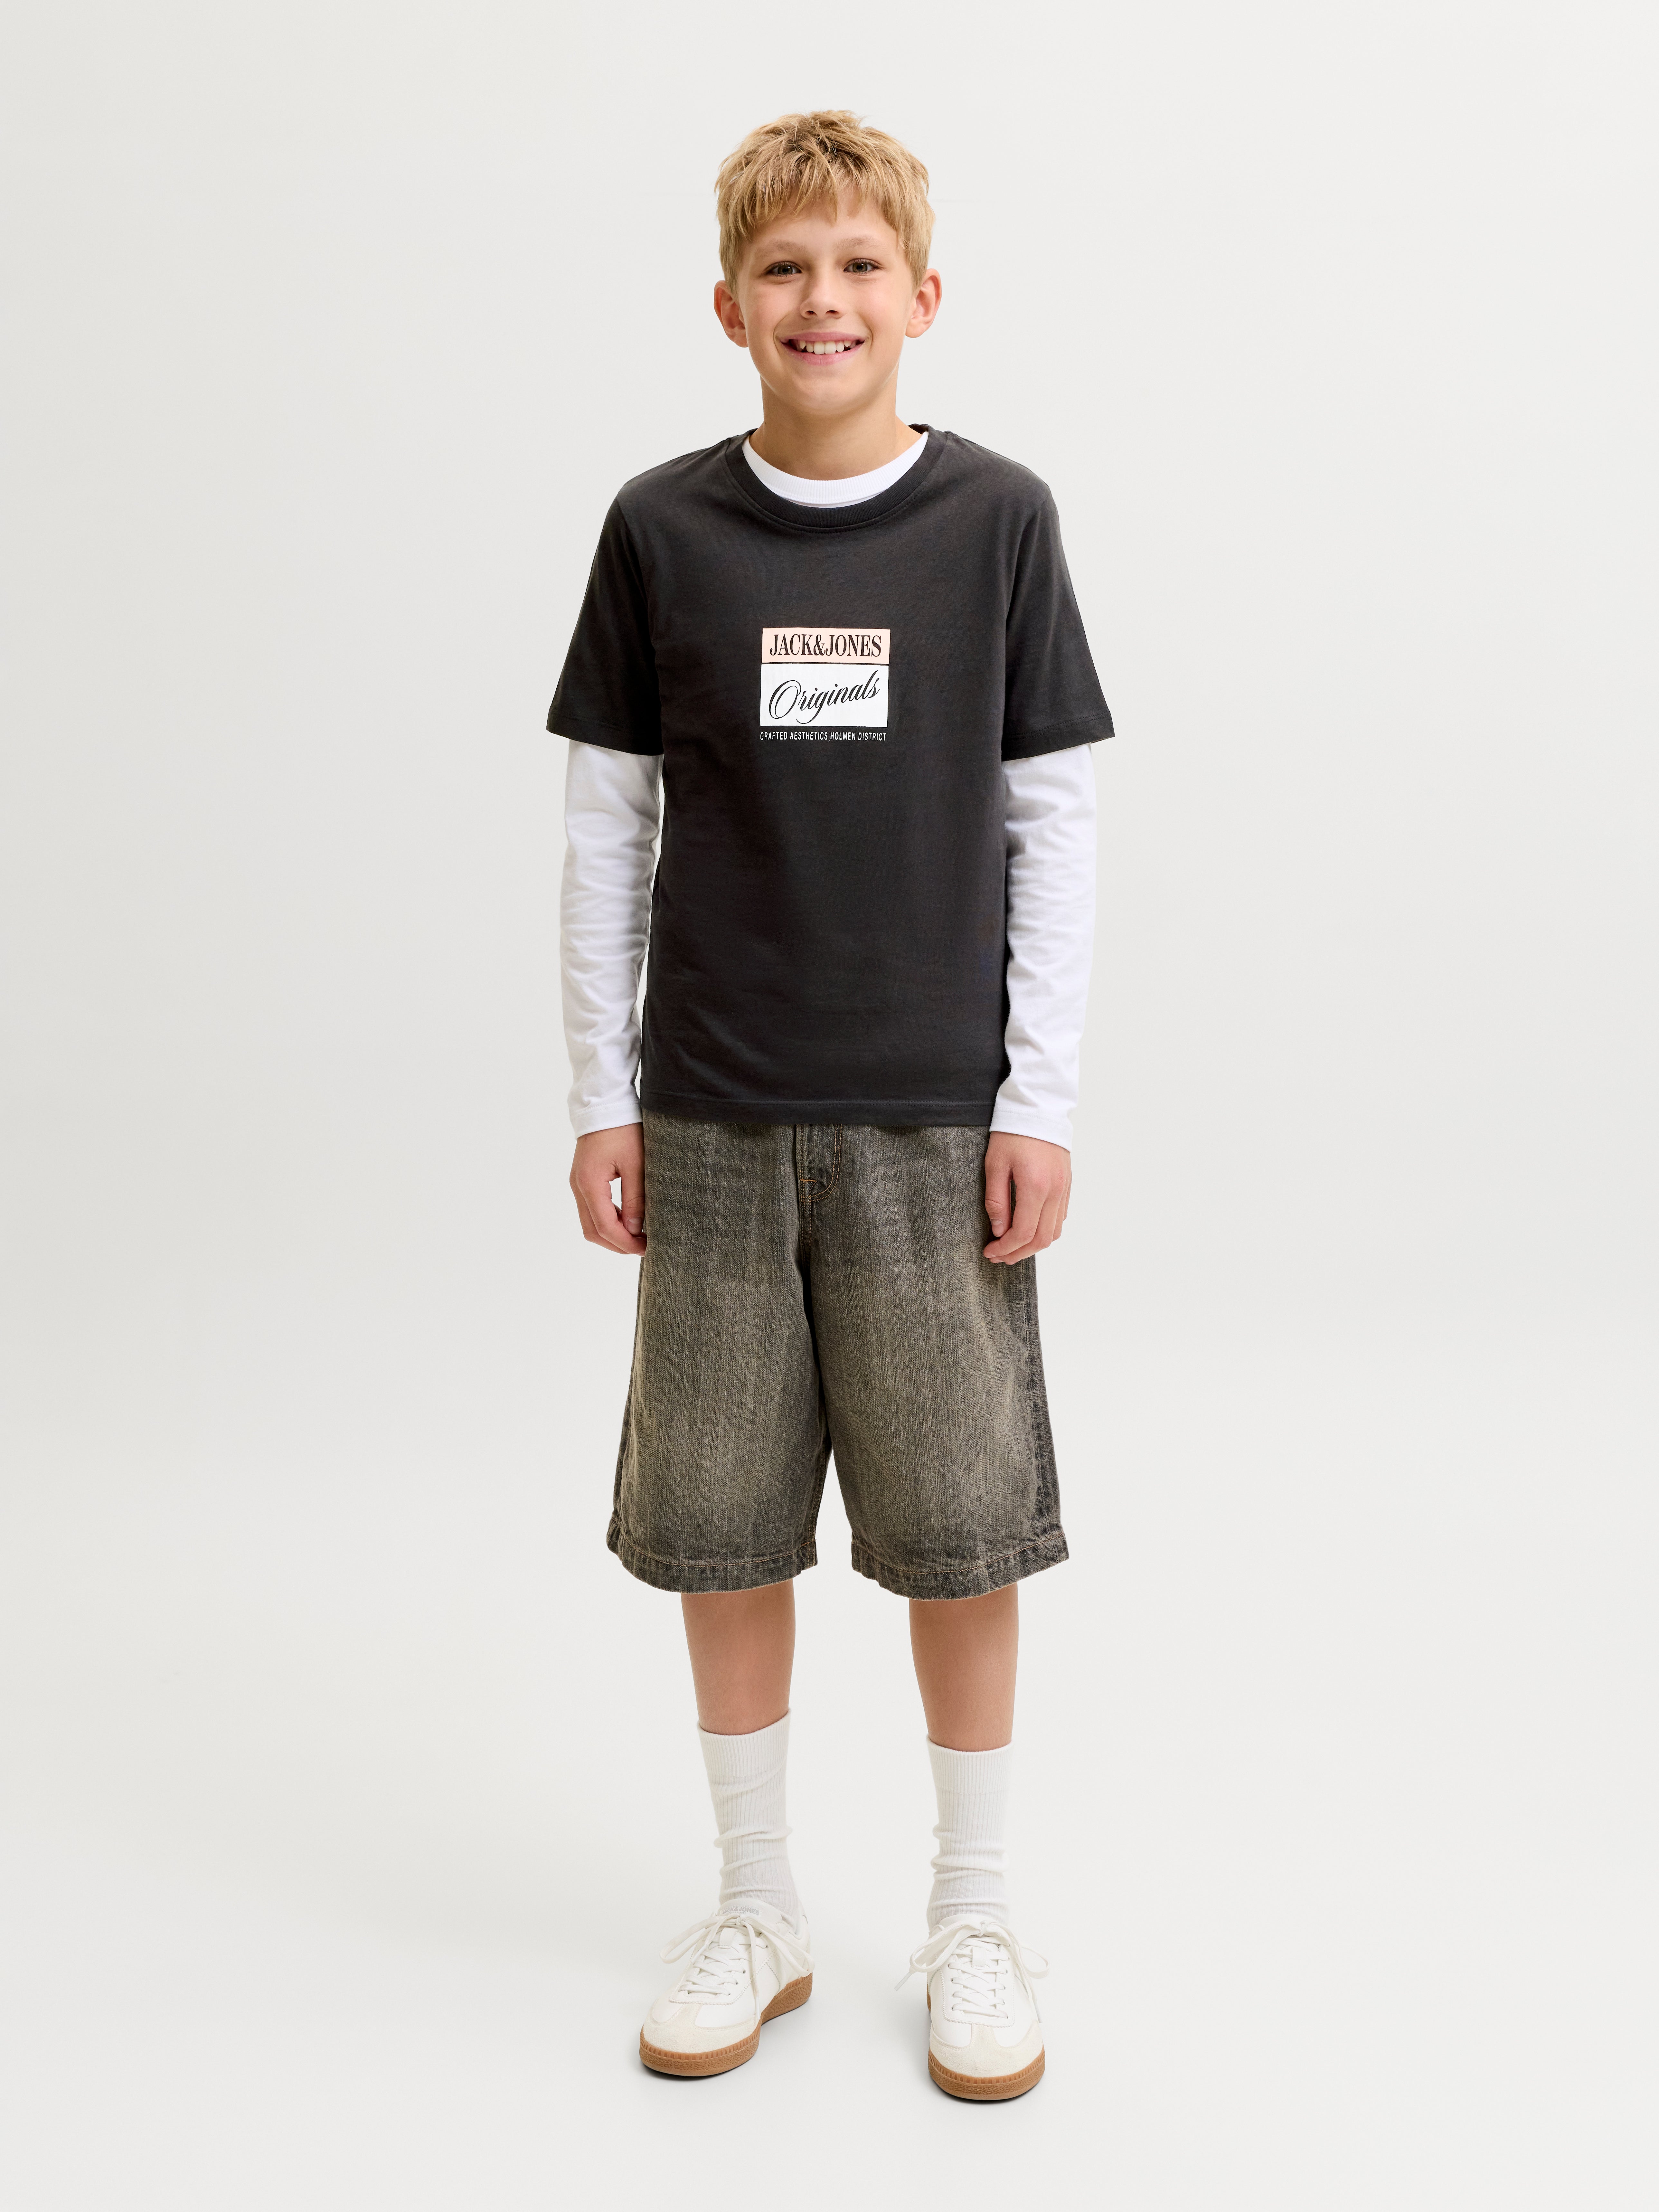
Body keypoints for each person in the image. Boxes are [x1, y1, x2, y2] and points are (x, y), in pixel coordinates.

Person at [549, 110, 1111, 2101]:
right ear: (728, 306)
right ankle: (758, 1900)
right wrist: (601, 1093)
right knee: (721, 1523)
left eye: (859, 264)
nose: (823, 299)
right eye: (783, 267)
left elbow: (1052, 821)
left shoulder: (998, 523)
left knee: (960, 1529)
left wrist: (1038, 1096)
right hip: (709, 1113)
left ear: (922, 296)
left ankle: (975, 1913)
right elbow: (607, 830)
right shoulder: (660, 531)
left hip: (931, 1124)